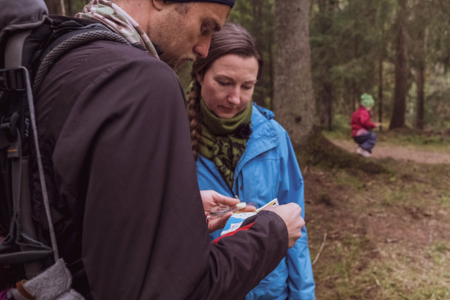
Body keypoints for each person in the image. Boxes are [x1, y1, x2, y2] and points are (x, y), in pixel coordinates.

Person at [29, 0, 306, 299]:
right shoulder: (142, 82)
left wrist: (175, 211)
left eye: (247, 86)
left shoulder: (60, 56)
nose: (203, 48)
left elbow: (82, 213)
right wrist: (274, 233)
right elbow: (166, 288)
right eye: (205, 27)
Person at [187, 23, 316, 300]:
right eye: (224, 83)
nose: (235, 98)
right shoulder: (171, 136)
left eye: (247, 86)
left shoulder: (274, 138)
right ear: (200, 73)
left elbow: (296, 223)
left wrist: (303, 295)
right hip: (208, 288)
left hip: (270, 291)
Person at [351, 93, 381, 158]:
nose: (371, 108)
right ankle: (363, 149)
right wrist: (373, 125)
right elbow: (364, 122)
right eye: (370, 106)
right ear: (365, 105)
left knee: (364, 140)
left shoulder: (356, 112)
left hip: (355, 134)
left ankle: (364, 153)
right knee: (373, 136)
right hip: (360, 133)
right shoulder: (364, 112)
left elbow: (353, 122)